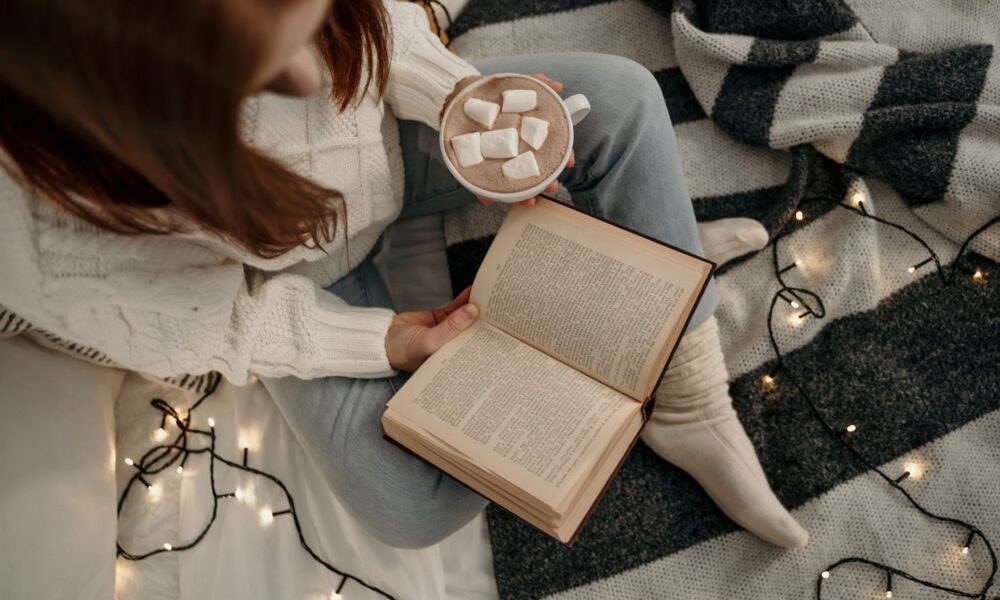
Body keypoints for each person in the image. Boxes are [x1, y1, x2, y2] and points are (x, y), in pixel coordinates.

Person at [0, 0, 805, 549]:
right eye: (270, 72)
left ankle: (683, 386)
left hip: (405, 151)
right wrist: (383, 344)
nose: (312, 85)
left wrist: (466, 105)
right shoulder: (41, 228)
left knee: (621, 99)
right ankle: (642, 266)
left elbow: (382, 26)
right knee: (405, 507)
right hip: (294, 279)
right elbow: (224, 323)